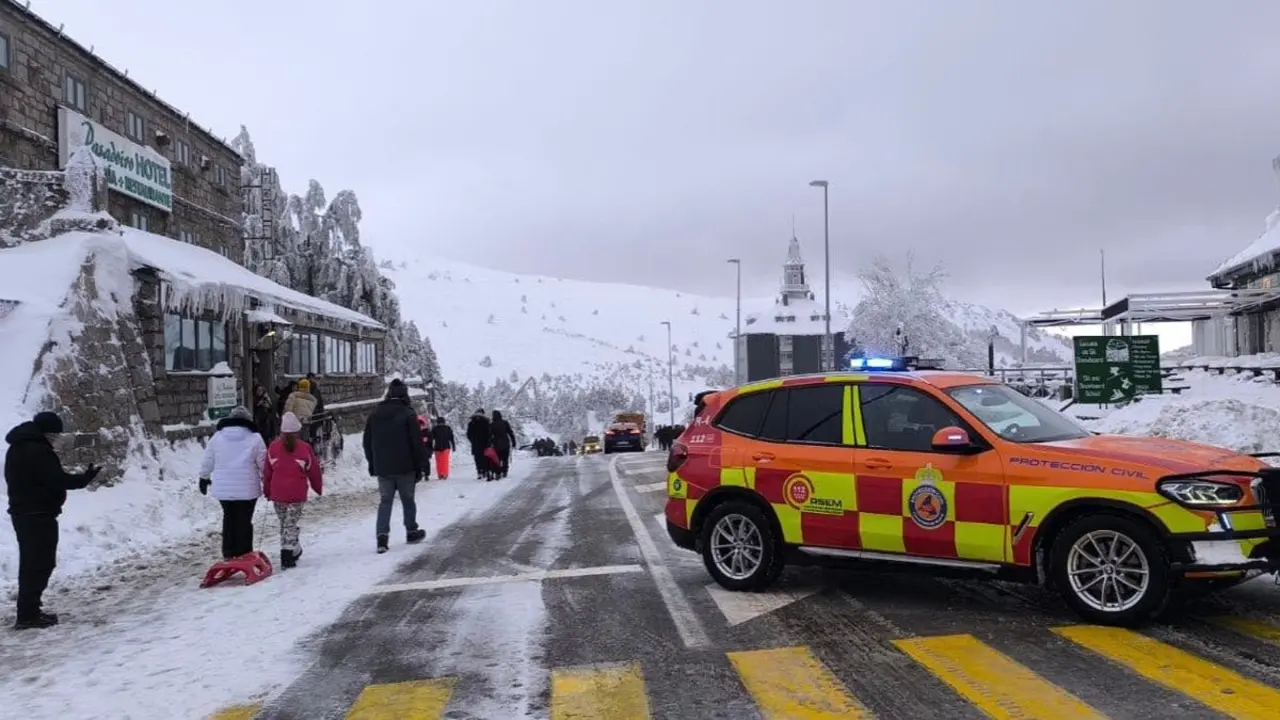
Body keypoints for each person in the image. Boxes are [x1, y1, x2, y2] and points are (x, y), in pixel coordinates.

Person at [4, 411, 101, 630]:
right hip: (37, 515)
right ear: (47, 433)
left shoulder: (18, 447)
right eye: (55, 434)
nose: (57, 439)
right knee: (39, 564)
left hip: (26, 514)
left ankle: (29, 611)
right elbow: (55, 480)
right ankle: (28, 615)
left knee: (32, 563)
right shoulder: (37, 450)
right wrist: (83, 480)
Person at [363, 379, 429, 553]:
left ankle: (382, 537)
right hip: (406, 466)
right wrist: (422, 464)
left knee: (385, 501)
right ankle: (411, 530)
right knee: (408, 499)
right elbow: (416, 442)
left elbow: (367, 442)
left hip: (383, 467)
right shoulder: (408, 414)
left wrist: (372, 463)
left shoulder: (375, 414)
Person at [199, 406, 267, 561]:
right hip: (247, 488)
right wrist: (268, 480)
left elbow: (208, 459)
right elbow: (263, 462)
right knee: (244, 520)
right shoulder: (255, 437)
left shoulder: (217, 437)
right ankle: (245, 554)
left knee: (229, 518)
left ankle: (229, 553)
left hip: (224, 489)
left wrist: (203, 477)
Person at [263, 412, 323, 569]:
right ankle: (287, 554)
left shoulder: (273, 448)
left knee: (285, 523)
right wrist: (318, 486)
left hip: (278, 493)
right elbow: (314, 470)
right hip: (297, 493)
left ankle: (294, 549)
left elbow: (267, 471)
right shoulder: (304, 448)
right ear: (297, 431)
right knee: (291, 523)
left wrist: (267, 490)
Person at [465, 408, 492, 479]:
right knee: (485, 458)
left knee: (477, 458)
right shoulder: (486, 422)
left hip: (475, 444)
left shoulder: (471, 423)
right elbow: (489, 433)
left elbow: (468, 434)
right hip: (485, 444)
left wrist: (473, 441)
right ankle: (485, 470)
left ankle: (479, 471)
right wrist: (488, 441)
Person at [489, 410, 516, 479]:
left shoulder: (492, 424)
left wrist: (489, 443)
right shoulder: (505, 423)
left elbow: (489, 435)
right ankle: (504, 471)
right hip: (505, 443)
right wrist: (513, 442)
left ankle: (497, 473)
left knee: (497, 459)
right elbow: (510, 433)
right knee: (505, 459)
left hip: (496, 444)